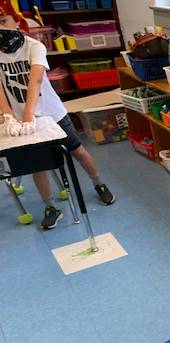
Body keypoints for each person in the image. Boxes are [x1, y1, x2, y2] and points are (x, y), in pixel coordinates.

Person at [0, 1, 115, 230]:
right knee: (38, 165)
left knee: (78, 151)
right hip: (23, 119)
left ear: (16, 22)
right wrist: (9, 115)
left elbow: (35, 80)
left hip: (51, 114)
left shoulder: (34, 47)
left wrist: (30, 113)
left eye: (3, 21)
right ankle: (50, 206)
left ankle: (98, 183)